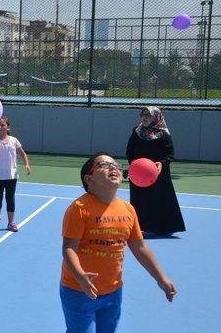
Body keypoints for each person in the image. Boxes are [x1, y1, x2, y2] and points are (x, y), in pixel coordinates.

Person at [60, 152, 177, 333]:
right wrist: (80, 276)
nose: (113, 167)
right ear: (89, 179)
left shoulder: (128, 209)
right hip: (78, 290)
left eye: (115, 164)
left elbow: (139, 246)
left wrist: (161, 278)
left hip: (113, 291)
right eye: (104, 165)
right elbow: (69, 248)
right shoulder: (79, 209)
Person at [126, 106, 186, 236]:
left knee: (160, 200)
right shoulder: (137, 132)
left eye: (148, 115)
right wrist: (134, 165)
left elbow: (170, 154)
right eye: (143, 115)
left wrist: (162, 164)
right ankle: (139, 227)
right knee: (139, 200)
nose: (145, 118)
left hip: (158, 174)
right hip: (139, 174)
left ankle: (163, 228)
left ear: (156, 117)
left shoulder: (163, 134)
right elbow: (129, 151)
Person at [0, 116, 31, 231]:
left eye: (2, 125)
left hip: (12, 176)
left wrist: (26, 164)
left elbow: (22, 153)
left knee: (10, 199)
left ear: (8, 127)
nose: (0, 127)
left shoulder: (14, 140)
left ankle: (11, 223)